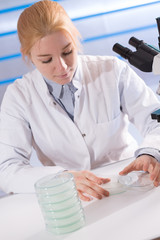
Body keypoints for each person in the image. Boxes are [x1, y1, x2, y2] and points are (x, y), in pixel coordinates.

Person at [0, 0, 160, 201]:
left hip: (131, 183)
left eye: (67, 52)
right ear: (28, 56)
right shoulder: (19, 97)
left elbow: (155, 119)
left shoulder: (112, 70)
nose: (62, 67)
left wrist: (151, 153)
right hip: (70, 198)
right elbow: (7, 169)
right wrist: (60, 178)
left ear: (75, 41)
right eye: (46, 60)